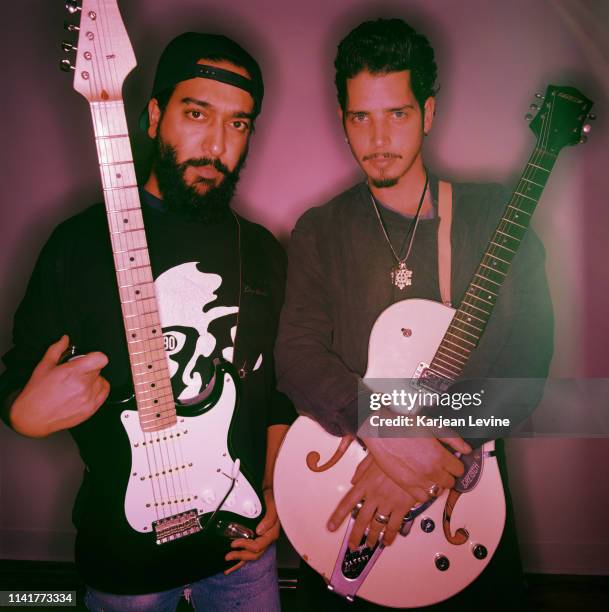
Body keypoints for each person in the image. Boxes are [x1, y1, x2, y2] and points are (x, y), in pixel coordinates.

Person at [0, 32, 294, 611]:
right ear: (155, 115)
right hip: (124, 557)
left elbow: (272, 388)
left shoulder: (261, 251)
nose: (216, 145)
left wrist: (277, 490)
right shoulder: (77, 244)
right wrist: (24, 414)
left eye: (238, 124)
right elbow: (16, 376)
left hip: (239, 550)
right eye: (196, 114)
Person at [275, 18, 553, 610]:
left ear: (427, 114)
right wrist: (379, 428)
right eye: (361, 117)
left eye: (397, 114)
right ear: (343, 120)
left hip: (460, 509)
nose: (378, 138)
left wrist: (427, 453)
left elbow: (526, 367)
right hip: (345, 490)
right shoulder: (319, 231)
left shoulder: (494, 217)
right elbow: (296, 356)